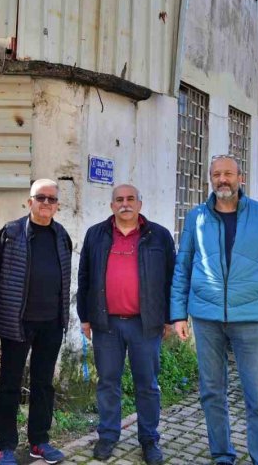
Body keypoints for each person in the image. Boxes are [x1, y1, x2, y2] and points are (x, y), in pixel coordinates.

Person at [171, 156, 258, 465]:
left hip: (252, 318)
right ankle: (223, 455)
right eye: (216, 174)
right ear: (210, 179)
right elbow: (182, 267)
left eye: (228, 173)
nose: (222, 179)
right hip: (206, 318)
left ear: (241, 177)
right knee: (211, 393)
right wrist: (177, 314)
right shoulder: (196, 217)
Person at [77, 184, 175, 464]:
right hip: (106, 324)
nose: (125, 204)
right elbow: (84, 277)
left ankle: (149, 439)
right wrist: (85, 316)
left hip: (145, 325)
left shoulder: (159, 236)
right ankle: (108, 436)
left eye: (130, 199)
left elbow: (172, 278)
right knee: (108, 383)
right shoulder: (96, 234)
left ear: (140, 204)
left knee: (147, 385)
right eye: (119, 200)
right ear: (111, 206)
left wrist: (169, 317)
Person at [0, 179, 73, 465]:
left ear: (57, 205)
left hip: (51, 324)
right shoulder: (10, 232)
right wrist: (9, 306)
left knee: (44, 384)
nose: (46, 203)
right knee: (10, 383)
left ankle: (40, 441)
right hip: (17, 324)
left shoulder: (61, 235)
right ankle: (5, 446)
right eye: (40, 198)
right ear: (29, 201)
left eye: (51, 199)